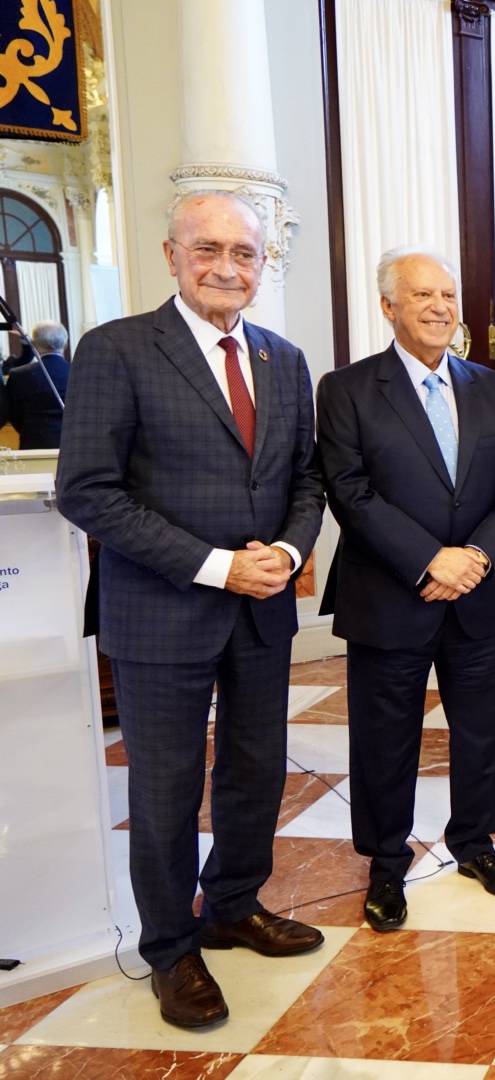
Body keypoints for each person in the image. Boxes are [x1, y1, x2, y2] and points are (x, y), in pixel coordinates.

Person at [56, 192, 326, 1028]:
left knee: (256, 772)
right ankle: (171, 948)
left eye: (245, 253)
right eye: (207, 248)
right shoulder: (118, 350)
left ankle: (234, 904)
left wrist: (282, 554)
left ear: (263, 264)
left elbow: (305, 482)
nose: (227, 267)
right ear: (171, 254)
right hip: (162, 612)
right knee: (167, 791)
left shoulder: (285, 359)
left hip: (262, 613)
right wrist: (217, 567)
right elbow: (87, 492)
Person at [316, 248, 495, 932]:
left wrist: (471, 556)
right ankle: (386, 865)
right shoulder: (347, 389)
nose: (440, 307)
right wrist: (428, 560)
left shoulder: (493, 389)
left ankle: (475, 843)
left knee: (479, 731)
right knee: (386, 739)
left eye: (447, 295)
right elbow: (349, 493)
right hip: (390, 595)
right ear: (389, 307)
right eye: (422, 296)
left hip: (476, 593)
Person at [6, 321, 71, 449]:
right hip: (72, 445)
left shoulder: (18, 375)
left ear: (34, 344)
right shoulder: (79, 372)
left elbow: (12, 413)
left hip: (33, 444)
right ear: (65, 344)